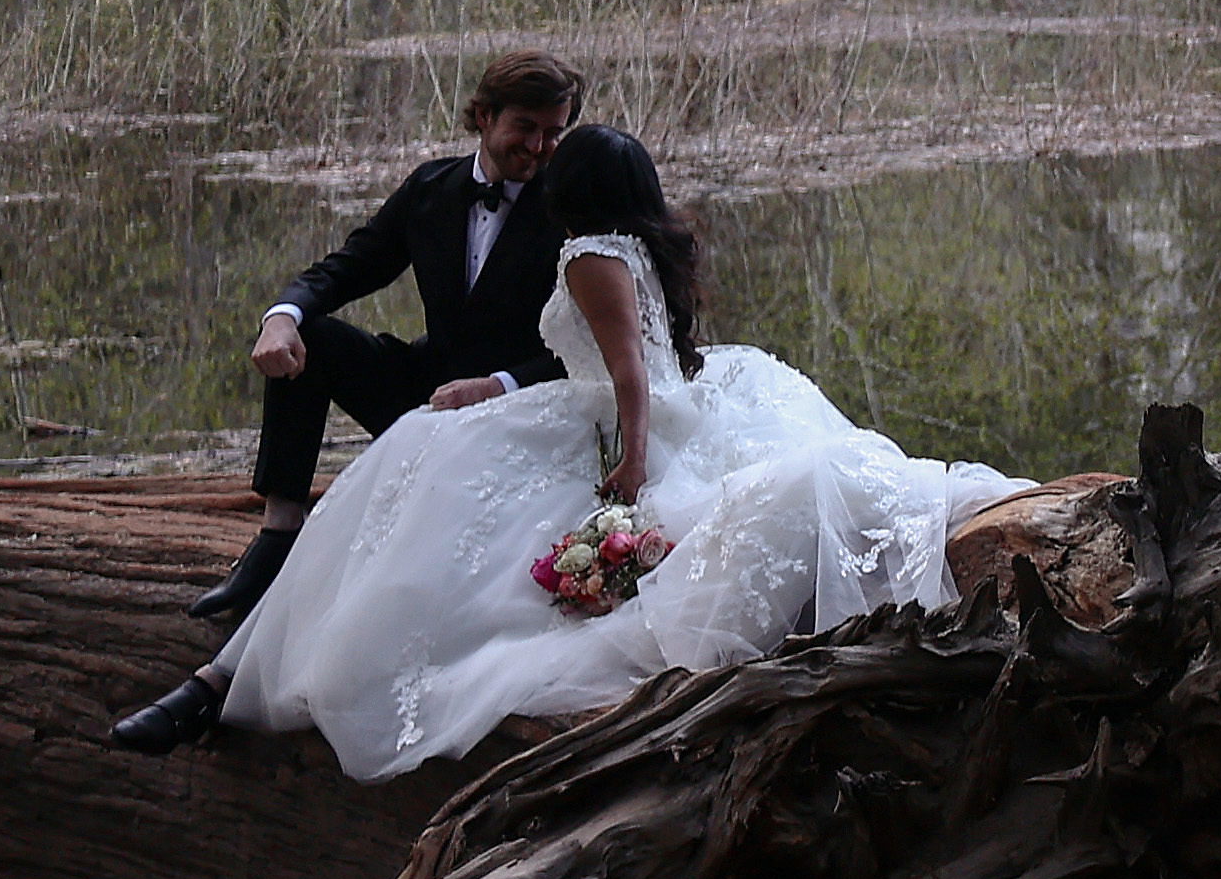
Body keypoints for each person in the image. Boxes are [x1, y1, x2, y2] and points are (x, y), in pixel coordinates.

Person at [109, 127, 1019, 776]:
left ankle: (236, 670)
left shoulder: (587, 248)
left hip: (616, 416)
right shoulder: (638, 242)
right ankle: (244, 637)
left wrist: (628, 461)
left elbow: (626, 372)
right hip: (616, 401)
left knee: (421, 468)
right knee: (423, 450)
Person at [189, 49, 585, 634]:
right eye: (524, 128)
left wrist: (500, 385)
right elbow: (350, 267)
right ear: (482, 117)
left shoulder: (573, 208)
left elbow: (588, 350)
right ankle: (277, 536)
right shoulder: (431, 188)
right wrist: (282, 316)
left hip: (523, 415)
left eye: (554, 133)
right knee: (314, 339)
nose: (539, 148)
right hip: (429, 397)